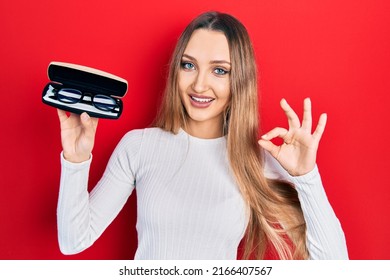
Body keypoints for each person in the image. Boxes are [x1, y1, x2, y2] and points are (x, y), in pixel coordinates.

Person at [56, 11, 348, 260]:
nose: (199, 84)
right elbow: (73, 242)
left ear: (240, 81)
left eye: (219, 71)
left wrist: (306, 176)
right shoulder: (139, 147)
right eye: (189, 65)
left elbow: (335, 264)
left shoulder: (255, 160)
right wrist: (76, 160)